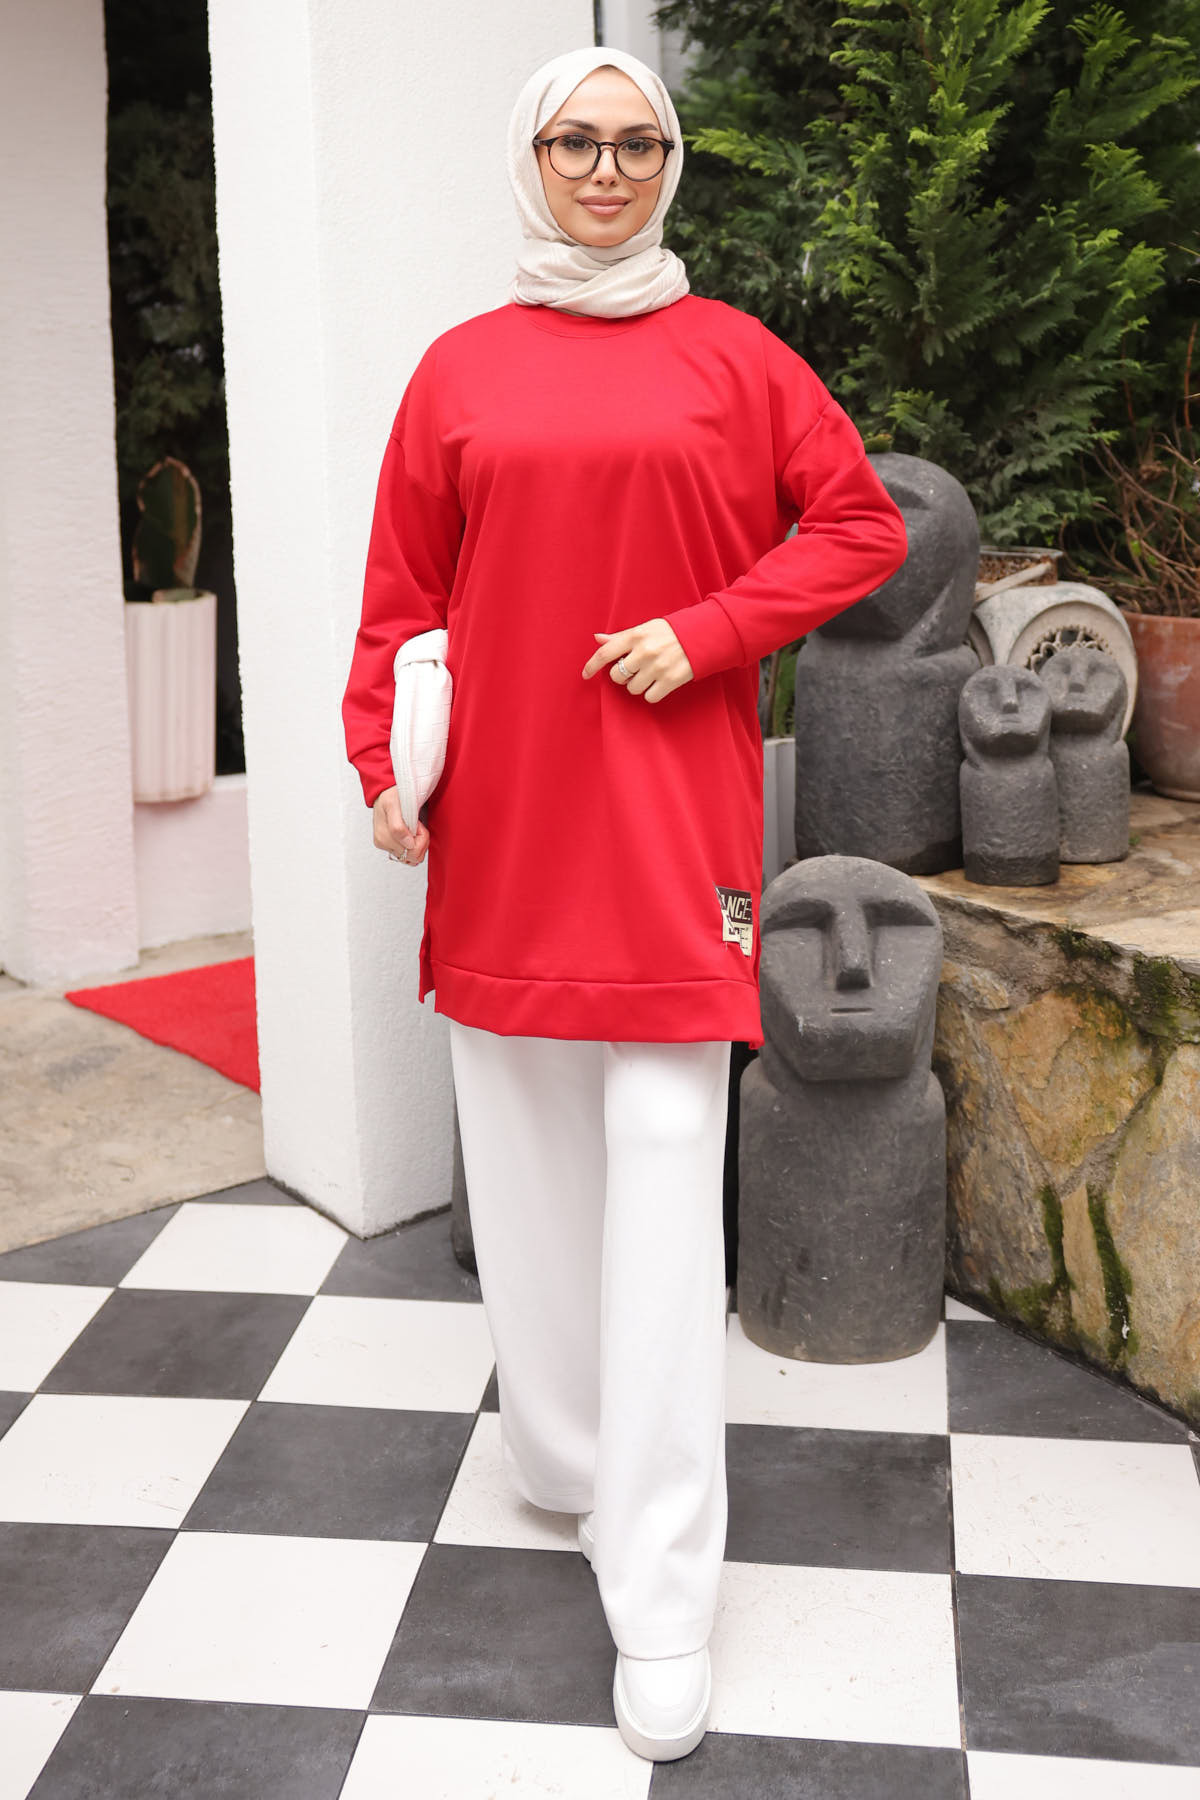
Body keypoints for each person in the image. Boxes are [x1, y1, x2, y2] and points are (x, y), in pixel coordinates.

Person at [342, 44, 908, 1764]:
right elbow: (400, 601)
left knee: (665, 1185)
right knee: (525, 1177)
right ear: (533, 158)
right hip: (503, 831)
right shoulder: (458, 371)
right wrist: (382, 766)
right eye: (576, 142)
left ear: (673, 162)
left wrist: (712, 629)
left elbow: (860, 525)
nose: (608, 168)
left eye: (638, 142)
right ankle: (568, 1455)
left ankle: (661, 1591)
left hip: (672, 838)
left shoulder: (736, 358)